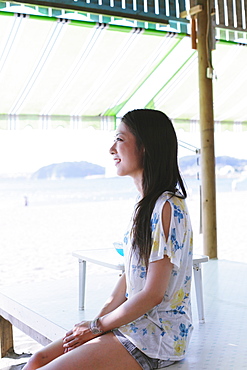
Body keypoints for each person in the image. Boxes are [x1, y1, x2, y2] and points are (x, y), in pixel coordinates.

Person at [23, 109, 193, 370]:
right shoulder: (144, 205)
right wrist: (94, 324)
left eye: (120, 140)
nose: (111, 149)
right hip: (133, 325)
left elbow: (152, 295)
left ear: (146, 147)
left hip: (156, 336)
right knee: (37, 359)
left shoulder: (167, 207)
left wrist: (96, 327)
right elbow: (129, 277)